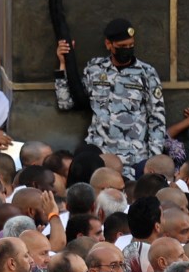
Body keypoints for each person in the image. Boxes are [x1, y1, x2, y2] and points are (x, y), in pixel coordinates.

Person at [55, 18, 167, 169]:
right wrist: (63, 64)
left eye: (130, 45)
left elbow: (157, 120)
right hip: (98, 153)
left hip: (132, 158)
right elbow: (65, 103)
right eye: (122, 46)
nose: (127, 49)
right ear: (108, 44)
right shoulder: (95, 69)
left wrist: (153, 161)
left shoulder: (147, 73)